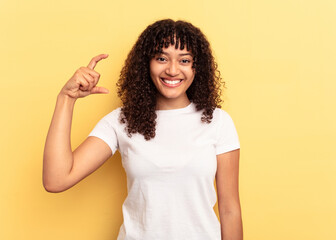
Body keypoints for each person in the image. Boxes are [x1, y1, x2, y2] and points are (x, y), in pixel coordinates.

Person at [43, 19, 243, 240]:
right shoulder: (122, 121)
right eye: (161, 58)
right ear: (146, 63)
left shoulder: (218, 121)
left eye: (184, 60)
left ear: (198, 67)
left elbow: (229, 209)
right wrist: (66, 98)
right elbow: (56, 180)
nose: (172, 70)